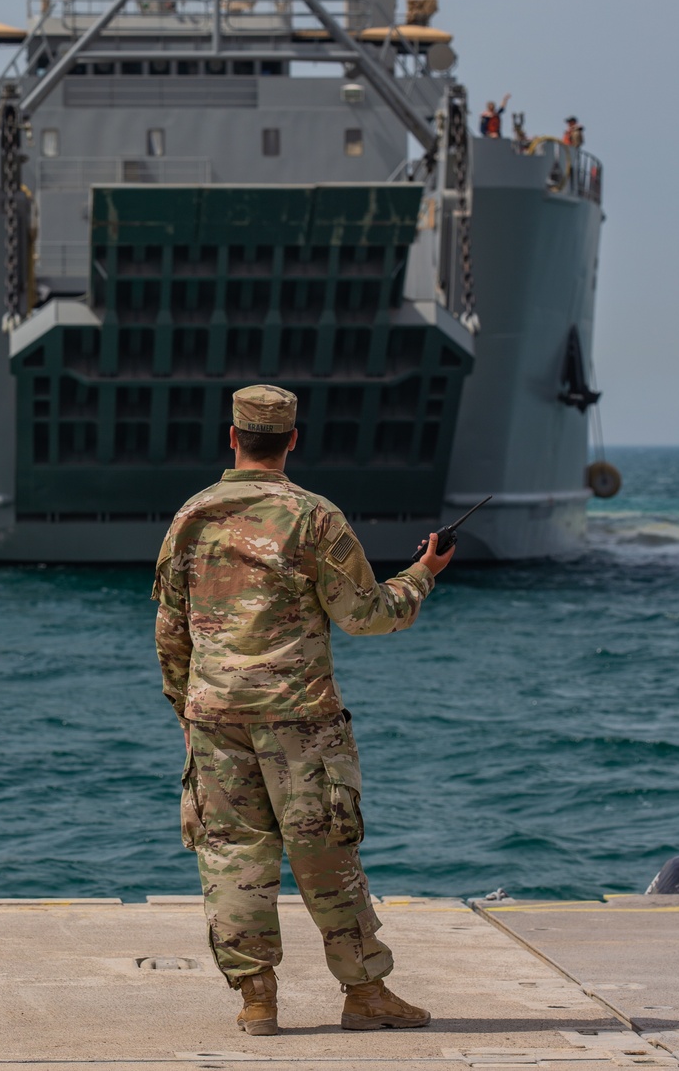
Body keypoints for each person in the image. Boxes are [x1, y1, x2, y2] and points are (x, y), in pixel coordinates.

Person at [153, 385, 455, 1038]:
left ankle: (257, 1000)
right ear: (292, 440)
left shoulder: (190, 518)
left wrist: (191, 709)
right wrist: (424, 572)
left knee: (233, 856)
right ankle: (365, 992)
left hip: (213, 716)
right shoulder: (315, 518)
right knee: (325, 852)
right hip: (299, 718)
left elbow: (170, 632)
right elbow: (368, 615)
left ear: (231, 438)